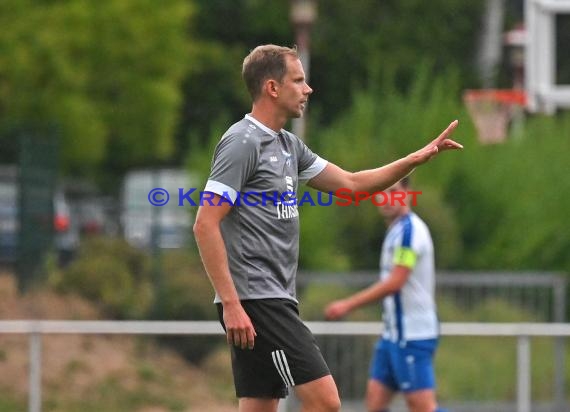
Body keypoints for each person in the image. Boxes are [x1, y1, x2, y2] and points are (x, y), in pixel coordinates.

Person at [193, 44, 461, 412]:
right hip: (258, 300)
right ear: (273, 88)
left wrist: (415, 158)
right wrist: (231, 304)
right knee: (325, 402)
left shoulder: (289, 145)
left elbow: (353, 184)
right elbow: (205, 223)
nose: (308, 89)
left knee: (259, 406)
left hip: (270, 298)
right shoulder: (242, 142)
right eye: (299, 80)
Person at [324, 178, 446, 412]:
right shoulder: (396, 230)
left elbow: (395, 282)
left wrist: (348, 304)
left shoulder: (410, 232)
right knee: (375, 403)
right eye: (381, 192)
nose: (386, 198)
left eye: (394, 191)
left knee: (423, 408)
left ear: (408, 193)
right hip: (391, 335)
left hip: (412, 335)